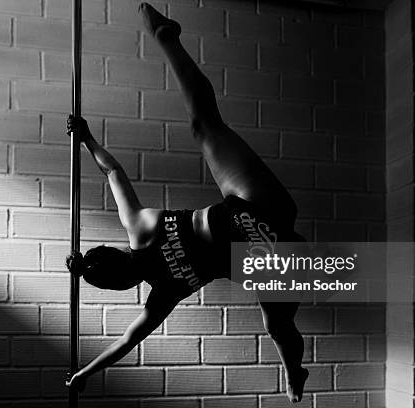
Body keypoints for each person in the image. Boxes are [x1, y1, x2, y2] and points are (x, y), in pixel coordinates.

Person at [66, 3, 308, 403]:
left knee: (279, 326)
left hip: (258, 234)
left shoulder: (160, 288)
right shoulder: (140, 237)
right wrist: (88, 139)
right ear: (113, 252)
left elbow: (128, 341)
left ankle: (293, 372)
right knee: (204, 125)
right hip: (256, 226)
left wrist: (86, 373)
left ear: (120, 286)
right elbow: (113, 173)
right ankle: (292, 371)